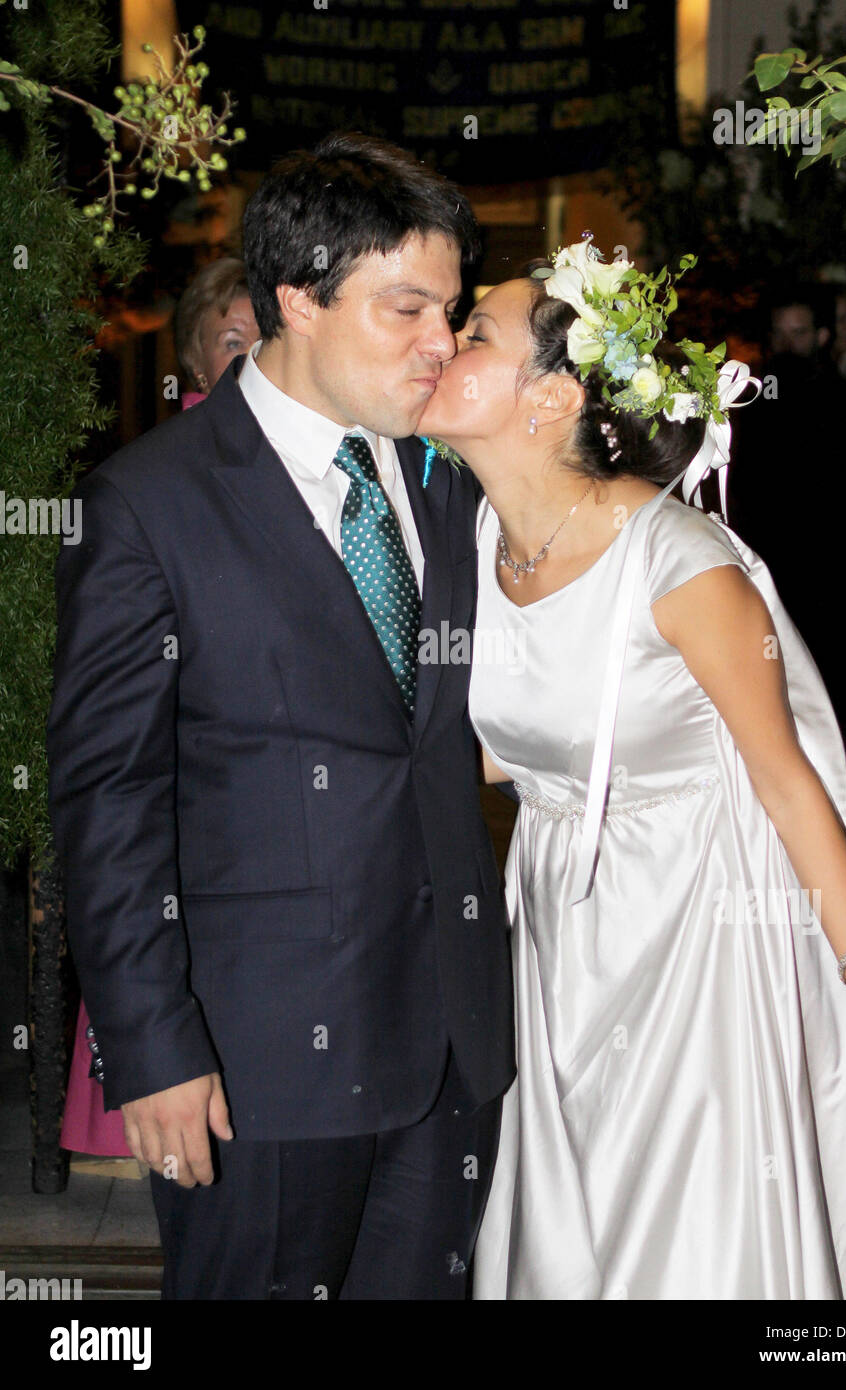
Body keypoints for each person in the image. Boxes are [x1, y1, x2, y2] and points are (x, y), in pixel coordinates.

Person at [417, 243, 846, 1299]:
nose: (442, 343)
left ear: (551, 396)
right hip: (565, 943)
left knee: (692, 1241)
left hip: (708, 937)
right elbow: (490, 745)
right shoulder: (476, 541)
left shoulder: (680, 565)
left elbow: (793, 784)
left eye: (475, 334)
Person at [46, 133, 514, 1300]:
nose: (438, 344)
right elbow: (108, 804)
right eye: (405, 308)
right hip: (256, 1065)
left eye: (448, 310)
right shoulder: (149, 505)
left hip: (451, 1043)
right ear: (298, 298)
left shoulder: (448, 476)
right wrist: (151, 1051)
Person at [60, 259, 260, 1166]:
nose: (252, 355)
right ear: (192, 363)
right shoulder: (157, 487)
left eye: (264, 336)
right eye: (231, 341)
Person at [173, 256, 259, 407]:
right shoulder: (194, 430)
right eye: (233, 344)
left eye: (266, 340)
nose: (255, 357)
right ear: (197, 363)